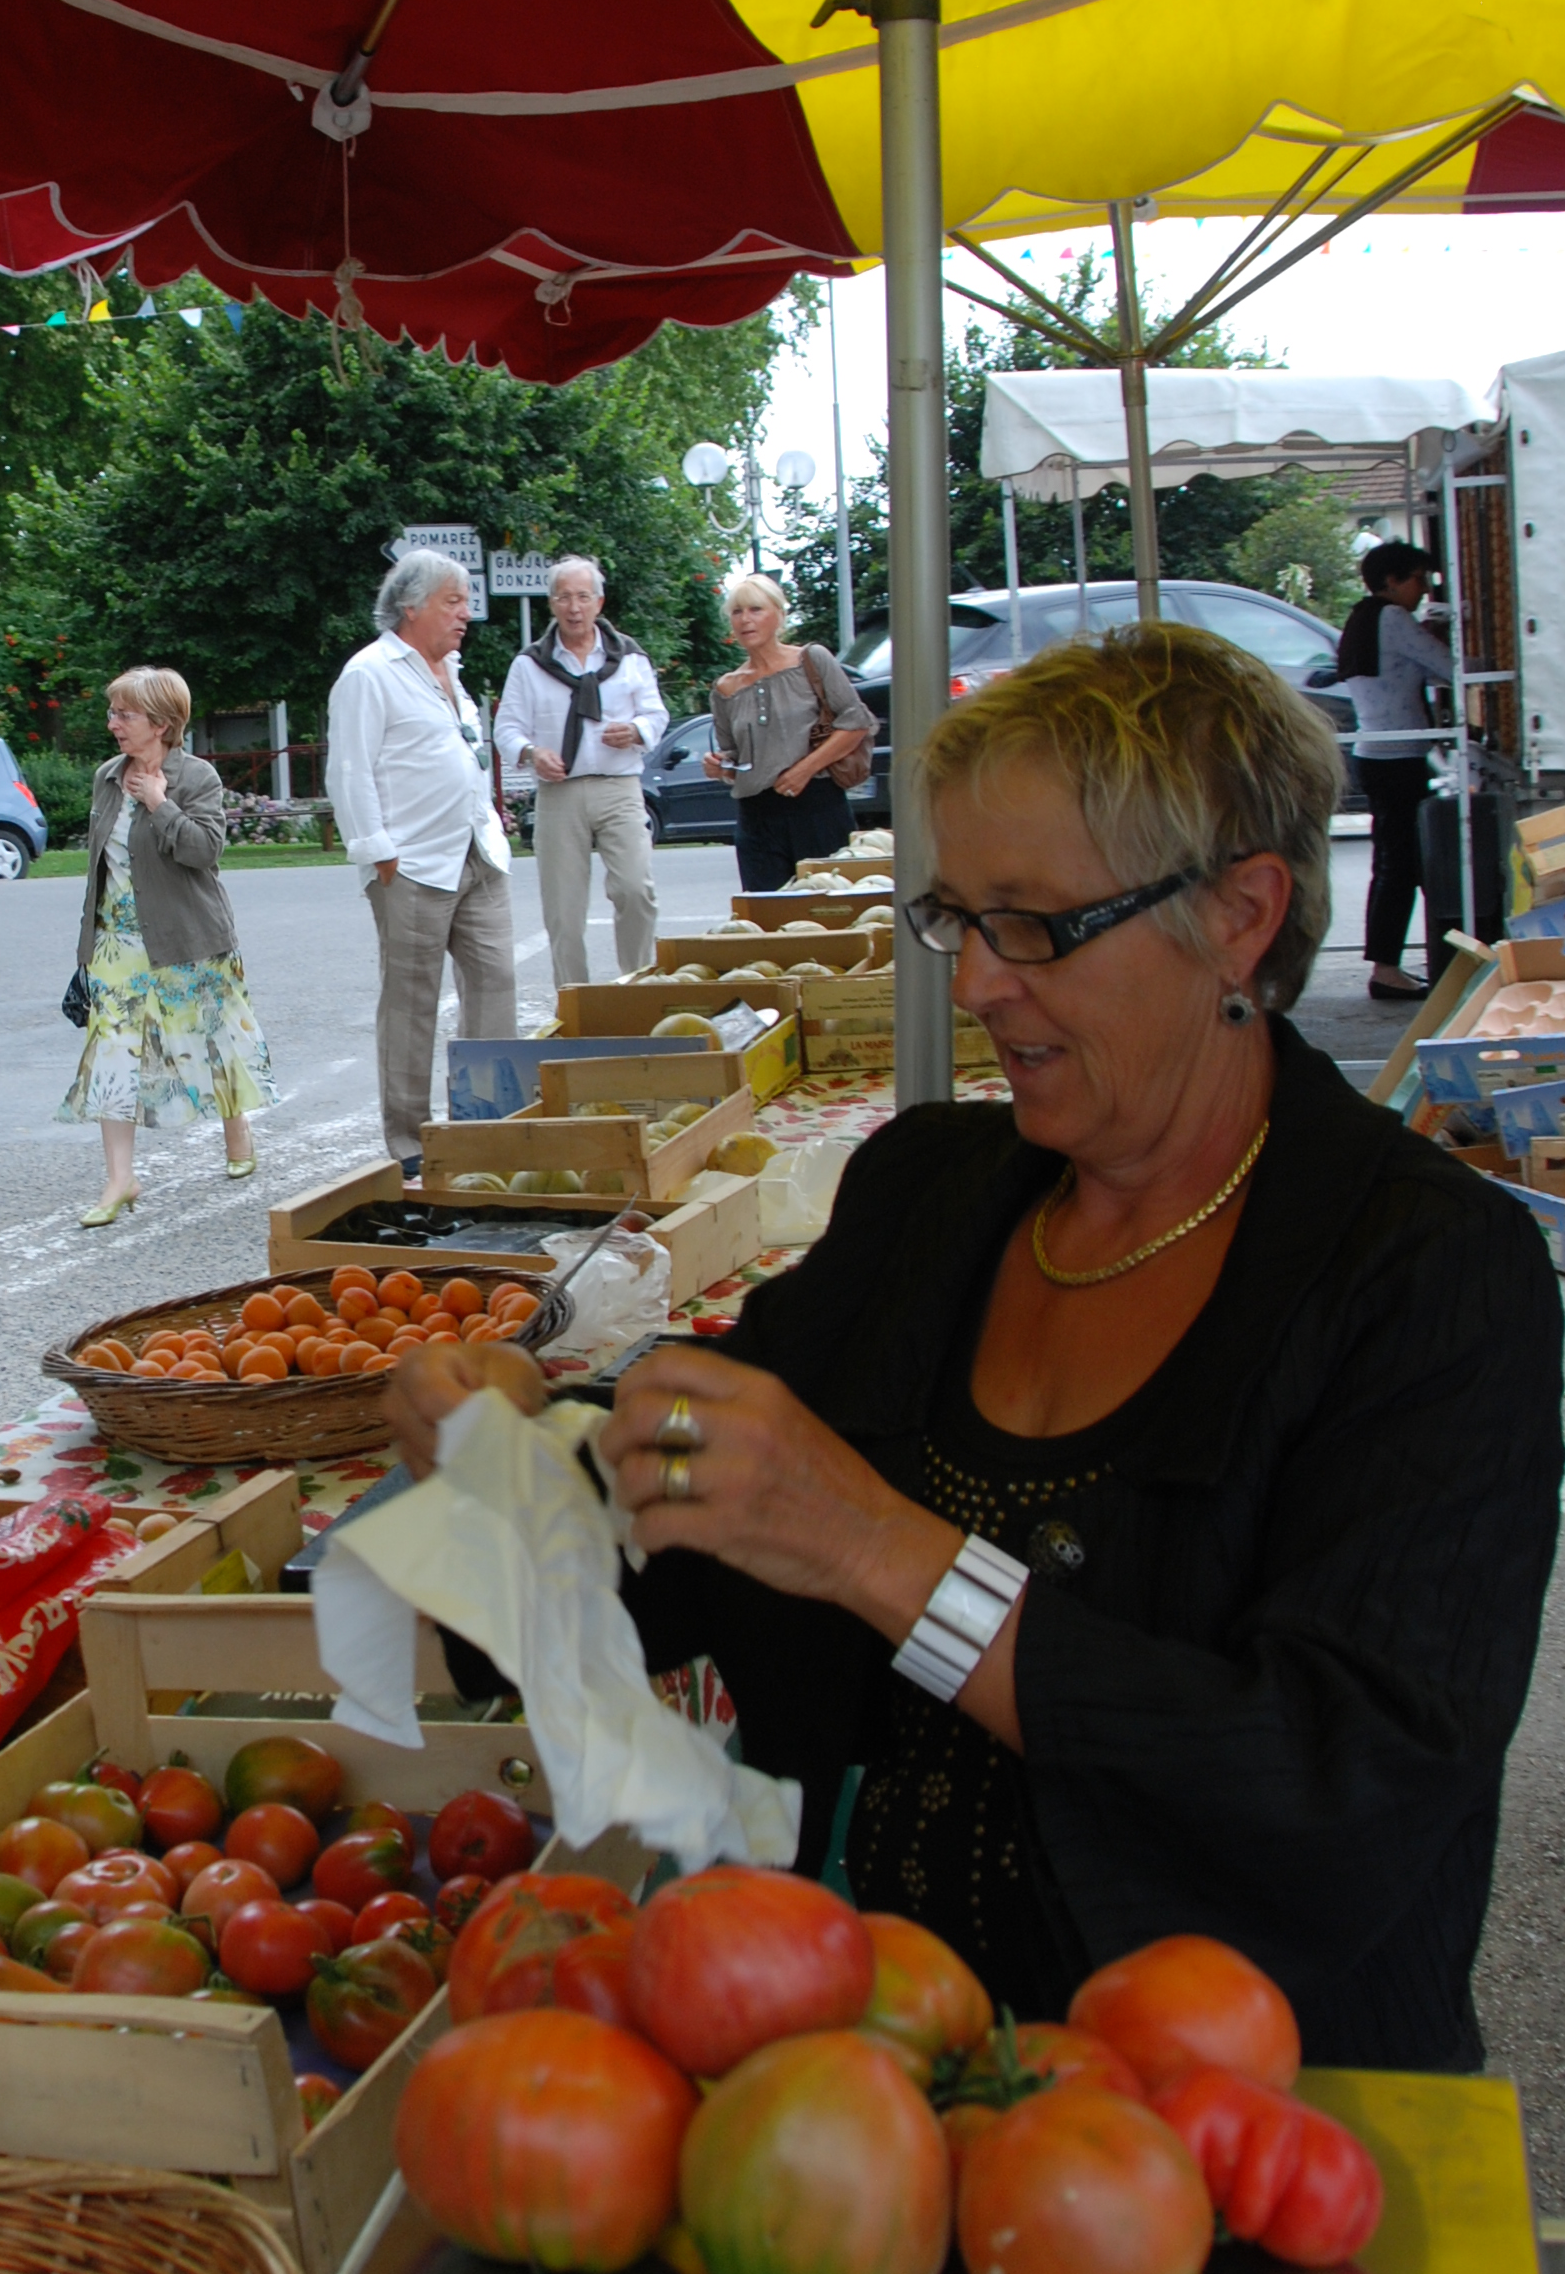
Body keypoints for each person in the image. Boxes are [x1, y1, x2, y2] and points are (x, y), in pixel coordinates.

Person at [387, 625, 1560, 2071]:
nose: (983, 984)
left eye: (1036, 924)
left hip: (1245, 2135)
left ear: (1243, 917)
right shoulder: (929, 1192)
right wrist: (511, 1462)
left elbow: (1347, 1783)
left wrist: (881, 1551)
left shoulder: (1430, 1277)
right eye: (958, 921)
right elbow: (673, 1542)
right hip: (858, 2098)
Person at [61, 667, 273, 1228]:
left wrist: (160, 802)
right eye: (113, 713)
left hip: (189, 938)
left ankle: (237, 1129)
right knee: (112, 1058)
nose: (113, 725)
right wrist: (87, 949)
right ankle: (119, 1178)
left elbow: (204, 851)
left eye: (123, 715)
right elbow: (99, 871)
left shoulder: (195, 777)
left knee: (211, 1042)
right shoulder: (107, 777)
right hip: (116, 948)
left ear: (160, 723)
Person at [327, 551, 515, 1168]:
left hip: (476, 854)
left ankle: (489, 1128)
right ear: (411, 606)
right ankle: (410, 1144)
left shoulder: (451, 670)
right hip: (410, 865)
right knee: (412, 1005)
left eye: (466, 601)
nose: (467, 613)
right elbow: (349, 771)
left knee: (495, 987)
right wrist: (379, 855)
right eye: (453, 601)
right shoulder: (369, 673)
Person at [492, 554, 667, 992]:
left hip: (619, 788)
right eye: (564, 597)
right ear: (551, 603)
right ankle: (576, 1000)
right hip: (559, 794)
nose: (574, 607)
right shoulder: (529, 664)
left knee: (635, 891)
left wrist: (637, 730)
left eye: (583, 597)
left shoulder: (629, 657)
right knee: (563, 913)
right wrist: (533, 753)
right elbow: (506, 729)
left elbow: (656, 714)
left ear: (599, 602)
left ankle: (637, 988)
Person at [1334, 539, 1453, 1002]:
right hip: (1398, 757)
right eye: (1418, 580)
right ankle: (1387, 968)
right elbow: (1447, 667)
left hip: (1377, 753)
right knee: (1404, 865)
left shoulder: (1363, 618)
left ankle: (1393, 962)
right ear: (1392, 581)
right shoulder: (1393, 618)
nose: (1423, 590)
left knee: (1394, 864)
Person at [704, 570, 874, 892]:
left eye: (756, 609)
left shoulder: (811, 659)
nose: (745, 620)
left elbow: (857, 722)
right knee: (768, 920)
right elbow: (733, 757)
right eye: (737, 612)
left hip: (818, 807)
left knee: (830, 910)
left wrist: (805, 770)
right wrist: (719, 766)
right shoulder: (725, 688)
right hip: (757, 818)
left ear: (779, 615)